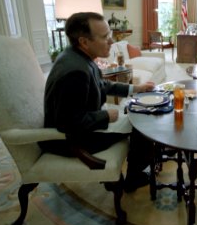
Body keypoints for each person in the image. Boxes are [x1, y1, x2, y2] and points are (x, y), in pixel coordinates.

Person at [39, 12, 154, 193]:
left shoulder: (80, 58)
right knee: (142, 125)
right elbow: (68, 123)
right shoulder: (75, 72)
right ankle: (134, 177)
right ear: (84, 42)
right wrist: (106, 115)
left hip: (82, 127)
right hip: (72, 140)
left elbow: (103, 84)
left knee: (139, 114)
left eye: (109, 34)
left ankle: (147, 157)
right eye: (105, 37)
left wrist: (135, 89)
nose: (111, 41)